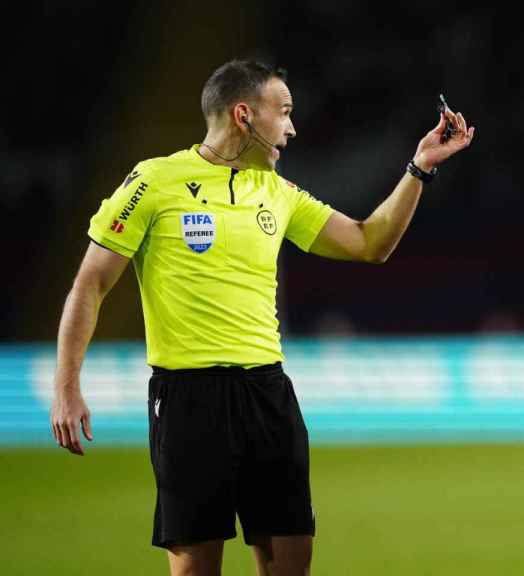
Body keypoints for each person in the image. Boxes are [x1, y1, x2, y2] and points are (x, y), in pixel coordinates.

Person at [49, 59, 474, 575]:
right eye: (285, 112)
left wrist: (420, 167)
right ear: (244, 115)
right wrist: (67, 386)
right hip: (188, 400)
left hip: (268, 395)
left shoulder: (278, 192)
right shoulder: (154, 181)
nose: (292, 128)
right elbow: (90, 284)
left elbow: (369, 242)